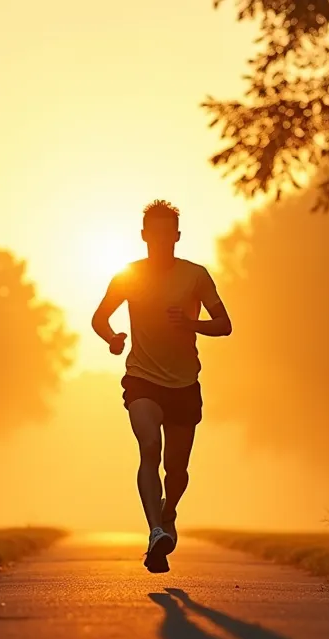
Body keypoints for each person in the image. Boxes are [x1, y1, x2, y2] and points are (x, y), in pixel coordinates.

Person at [91, 199, 233, 574]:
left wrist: (192, 325)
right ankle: (156, 531)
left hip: (184, 383)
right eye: (152, 232)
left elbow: (225, 324)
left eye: (166, 232)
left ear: (177, 236)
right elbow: (100, 317)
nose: (159, 239)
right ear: (143, 236)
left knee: (177, 470)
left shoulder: (196, 276)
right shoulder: (127, 276)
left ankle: (169, 514)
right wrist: (113, 339)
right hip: (142, 378)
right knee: (149, 445)